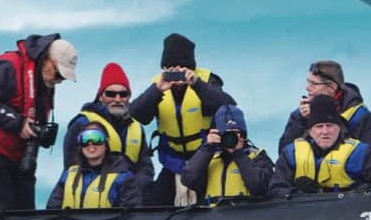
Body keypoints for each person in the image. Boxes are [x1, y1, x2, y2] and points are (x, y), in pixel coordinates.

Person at [0, 33, 78, 209]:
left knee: (25, 216)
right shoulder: (9, 65)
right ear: (47, 59)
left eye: (63, 77)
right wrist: (18, 124)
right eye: (58, 74)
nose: (59, 81)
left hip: (19, 159)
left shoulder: (44, 79)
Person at [127, 32, 236, 206]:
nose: (177, 74)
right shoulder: (158, 86)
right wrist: (157, 90)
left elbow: (229, 107)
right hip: (173, 161)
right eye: (171, 69)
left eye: (182, 68)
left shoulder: (207, 82)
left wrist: (196, 84)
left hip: (205, 161)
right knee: (153, 204)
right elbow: (136, 113)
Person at [272, 93, 371, 196]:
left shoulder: (360, 153)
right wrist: (299, 194)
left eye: (330, 126)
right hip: (304, 217)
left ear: (339, 128)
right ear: (309, 131)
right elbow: (276, 188)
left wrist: (360, 192)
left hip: (349, 214)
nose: (325, 132)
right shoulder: (291, 154)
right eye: (319, 126)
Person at [63, 61, 152, 184]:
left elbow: (145, 168)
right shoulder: (82, 123)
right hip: (96, 196)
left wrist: (137, 190)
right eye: (111, 94)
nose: (117, 99)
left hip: (131, 197)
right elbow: (71, 168)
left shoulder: (136, 127)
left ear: (129, 97)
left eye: (123, 94)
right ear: (100, 96)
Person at [275, 59, 371, 154]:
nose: (307, 88)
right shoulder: (300, 114)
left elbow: (370, 159)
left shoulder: (362, 118)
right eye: (308, 82)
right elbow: (283, 154)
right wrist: (302, 122)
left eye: (314, 84)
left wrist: (327, 119)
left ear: (331, 87)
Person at [180, 104, 272, 206]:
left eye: (235, 133)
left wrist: (239, 154)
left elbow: (261, 188)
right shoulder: (209, 157)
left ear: (243, 135)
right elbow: (188, 180)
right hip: (212, 217)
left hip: (246, 216)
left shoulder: (257, 156)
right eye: (225, 134)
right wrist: (207, 148)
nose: (230, 138)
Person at [47, 123, 144, 209]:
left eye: (96, 138)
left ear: (106, 143)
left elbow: (132, 217)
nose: (90, 144)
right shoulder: (68, 175)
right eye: (85, 139)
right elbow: (51, 210)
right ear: (80, 146)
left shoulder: (124, 178)